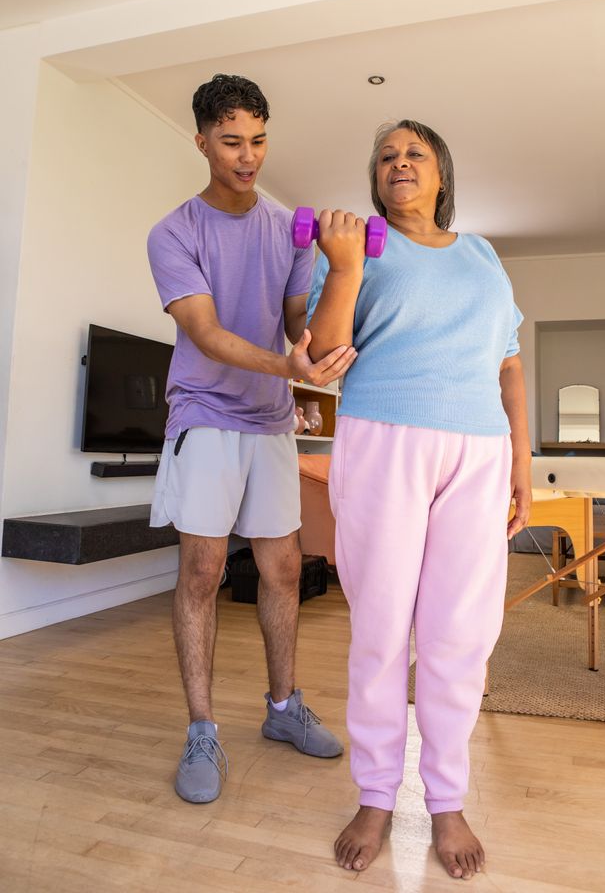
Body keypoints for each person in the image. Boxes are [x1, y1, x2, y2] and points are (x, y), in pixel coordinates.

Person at [306, 120, 531, 880]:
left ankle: (445, 798)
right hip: (383, 436)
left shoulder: (482, 253)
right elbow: (323, 359)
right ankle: (375, 794)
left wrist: (520, 463)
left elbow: (509, 365)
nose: (399, 163)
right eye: (386, 156)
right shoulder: (356, 245)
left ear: (441, 176)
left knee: (459, 633)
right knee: (379, 625)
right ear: (376, 178)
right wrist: (341, 267)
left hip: (478, 447)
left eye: (415, 154)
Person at [147, 73, 353, 804]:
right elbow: (203, 331)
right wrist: (287, 366)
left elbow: (296, 322)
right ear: (201, 140)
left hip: (268, 420)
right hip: (204, 414)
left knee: (286, 571)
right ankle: (201, 728)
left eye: (259, 140)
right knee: (203, 572)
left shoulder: (284, 228)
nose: (248, 156)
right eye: (232, 141)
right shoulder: (174, 232)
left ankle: (282, 707)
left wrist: (337, 279)